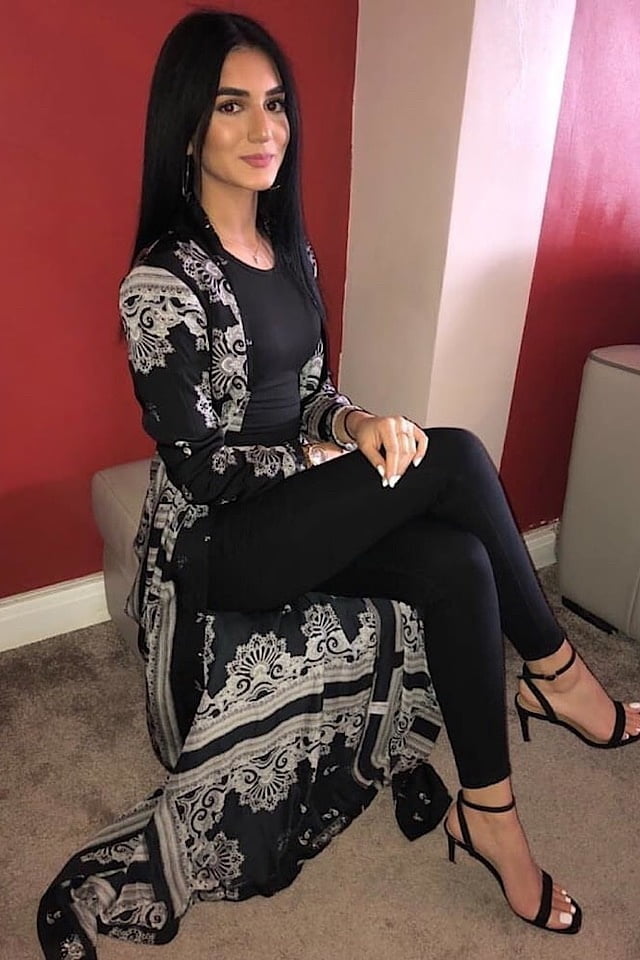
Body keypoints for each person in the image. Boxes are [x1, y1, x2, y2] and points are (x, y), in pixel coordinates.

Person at [39, 10, 640, 956]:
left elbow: (313, 394)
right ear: (187, 127)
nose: (263, 128)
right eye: (232, 106)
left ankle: (491, 816)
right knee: (456, 455)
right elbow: (199, 467)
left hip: (299, 513)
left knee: (458, 564)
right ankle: (558, 677)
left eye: (275, 104)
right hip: (219, 544)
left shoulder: (290, 251)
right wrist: (326, 459)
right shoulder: (161, 282)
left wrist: (353, 427)